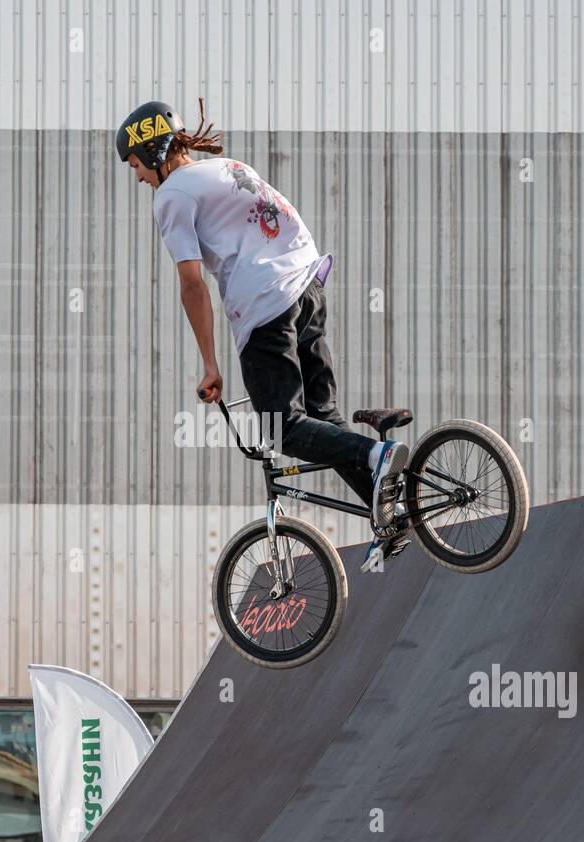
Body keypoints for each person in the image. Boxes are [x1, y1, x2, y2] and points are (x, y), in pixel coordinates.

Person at [117, 99, 409, 571]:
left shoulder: (172, 195)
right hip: (308, 287)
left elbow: (192, 284)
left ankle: (379, 452)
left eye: (135, 166)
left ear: (153, 152)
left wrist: (211, 365)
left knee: (284, 427)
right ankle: (391, 516)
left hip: (266, 304)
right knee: (323, 418)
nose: (138, 179)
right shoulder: (229, 167)